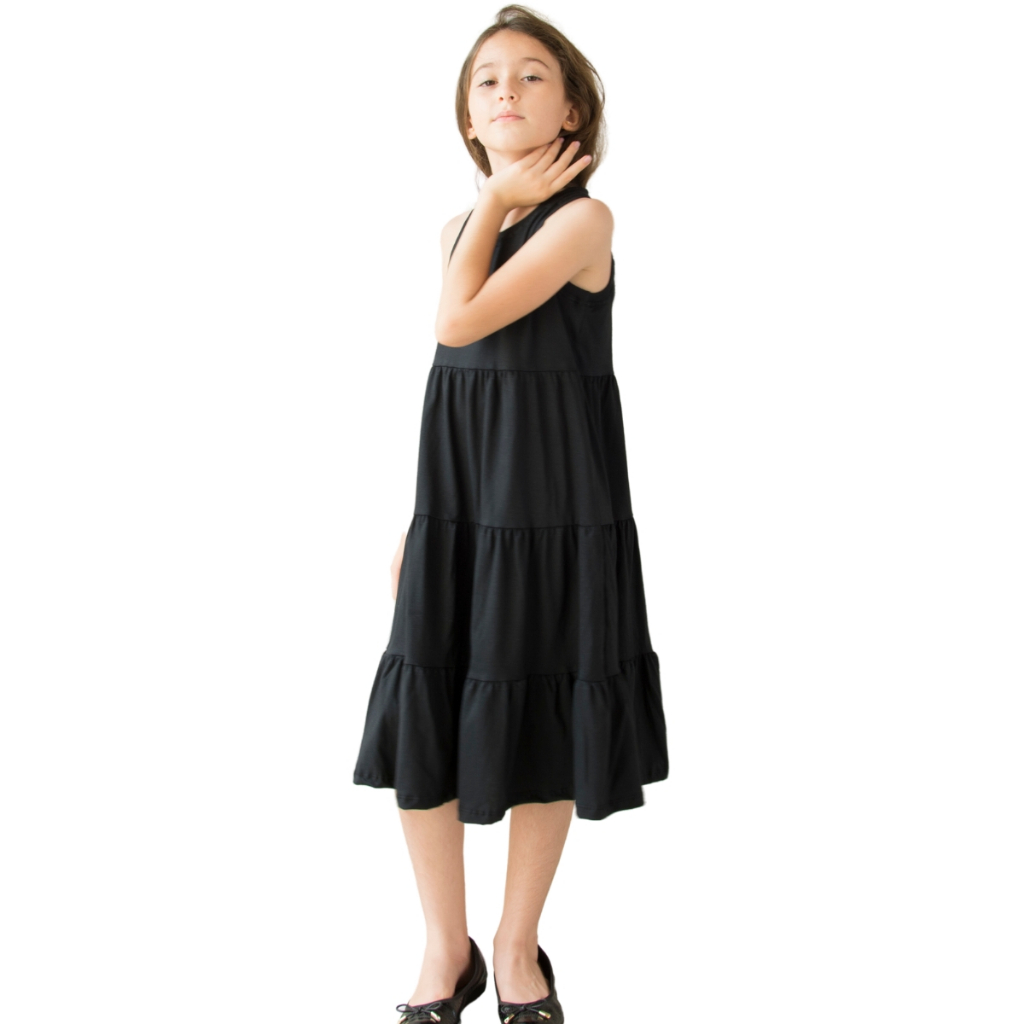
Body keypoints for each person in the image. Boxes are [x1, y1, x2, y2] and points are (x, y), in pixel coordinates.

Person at [352, 6, 669, 1022]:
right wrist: (422, 523)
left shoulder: (585, 223)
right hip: (460, 507)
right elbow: (458, 382)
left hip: (554, 513)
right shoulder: (457, 229)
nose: (505, 91)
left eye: (532, 76)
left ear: (571, 110)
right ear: (466, 114)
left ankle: (517, 941)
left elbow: (459, 321)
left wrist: (494, 199)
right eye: (487, 79)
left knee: (541, 711)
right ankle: (444, 947)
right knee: (427, 711)